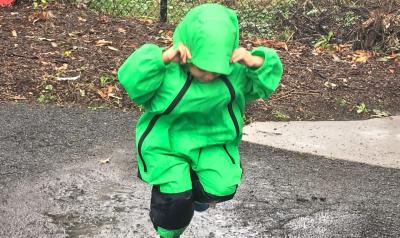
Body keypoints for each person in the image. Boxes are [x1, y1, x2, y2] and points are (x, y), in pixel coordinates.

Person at [117, 3, 283, 238]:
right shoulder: (168, 72)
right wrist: (162, 58)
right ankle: (168, 232)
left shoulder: (233, 74)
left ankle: (193, 188)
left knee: (223, 187)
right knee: (176, 204)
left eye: (216, 70)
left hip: (212, 142)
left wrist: (256, 62)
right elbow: (131, 80)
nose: (208, 76)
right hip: (166, 144)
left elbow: (264, 85)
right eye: (202, 67)